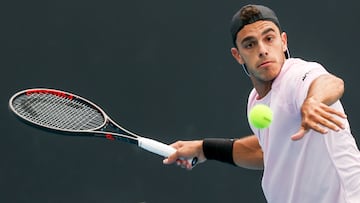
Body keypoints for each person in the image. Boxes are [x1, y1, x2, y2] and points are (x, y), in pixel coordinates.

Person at [163, 4, 360, 203]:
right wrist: (204, 149)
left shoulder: (296, 74)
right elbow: (266, 151)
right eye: (250, 44)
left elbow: (331, 82)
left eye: (269, 38)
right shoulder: (255, 102)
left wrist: (313, 101)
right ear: (238, 55)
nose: (263, 50)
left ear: (283, 42)